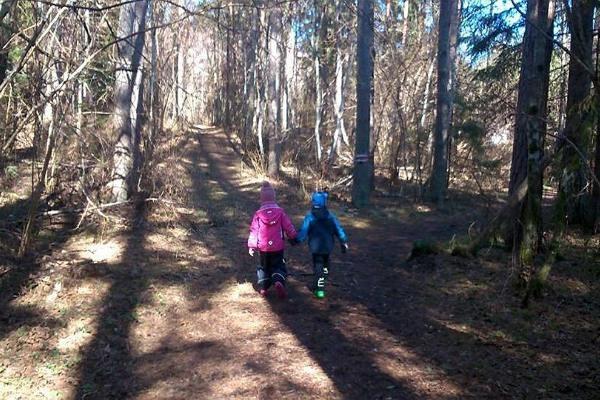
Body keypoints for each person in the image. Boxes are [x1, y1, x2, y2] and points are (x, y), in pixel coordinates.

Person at [247, 181, 297, 299]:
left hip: (263, 247)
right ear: (274, 197)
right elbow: (288, 226)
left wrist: (252, 245)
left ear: (262, 199)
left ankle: (264, 286)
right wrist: (293, 236)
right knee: (278, 265)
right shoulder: (280, 212)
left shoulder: (258, 214)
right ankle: (278, 280)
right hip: (277, 246)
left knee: (264, 267)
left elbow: (254, 230)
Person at [296, 190, 348, 299]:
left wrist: (296, 240)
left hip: (315, 247)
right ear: (324, 202)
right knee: (325, 267)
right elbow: (339, 229)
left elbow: (303, 231)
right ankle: (320, 288)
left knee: (318, 266)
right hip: (327, 246)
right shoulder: (331, 216)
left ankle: (319, 284)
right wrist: (343, 240)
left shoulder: (310, 217)